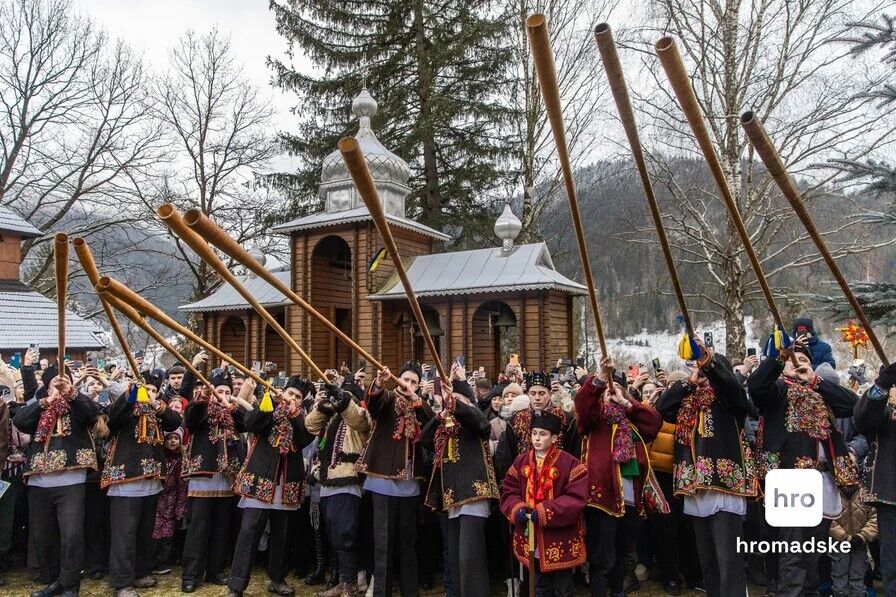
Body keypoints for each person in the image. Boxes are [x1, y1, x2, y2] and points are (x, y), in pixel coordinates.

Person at [748, 337, 859, 597]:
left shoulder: (820, 391)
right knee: (794, 550)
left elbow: (852, 405)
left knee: (813, 552)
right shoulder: (777, 390)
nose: (798, 363)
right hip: (791, 479)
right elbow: (756, 385)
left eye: (805, 360)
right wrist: (779, 357)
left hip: (822, 479)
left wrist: (814, 380)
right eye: (791, 359)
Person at [655, 339, 758, 597]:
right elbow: (662, 409)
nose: (702, 377)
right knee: (708, 562)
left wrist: (710, 363)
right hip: (695, 487)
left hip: (725, 486)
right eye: (700, 372)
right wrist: (689, 382)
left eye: (707, 373)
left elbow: (732, 388)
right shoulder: (688, 401)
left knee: (728, 561)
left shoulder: (729, 402)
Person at [574, 357, 667, 597]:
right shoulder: (595, 422)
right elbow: (583, 407)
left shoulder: (630, 421)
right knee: (602, 555)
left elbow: (654, 423)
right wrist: (599, 380)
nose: (611, 396)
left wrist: (628, 403)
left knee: (622, 553)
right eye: (607, 393)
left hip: (630, 497)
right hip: (602, 496)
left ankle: (618, 592)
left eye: (615, 392)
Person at [14, 368, 99, 597]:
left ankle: (71, 583)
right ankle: (54, 582)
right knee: (42, 534)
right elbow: (20, 421)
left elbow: (93, 413)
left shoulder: (77, 406)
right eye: (55, 383)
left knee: (71, 534)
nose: (59, 387)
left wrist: (71, 393)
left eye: (64, 382)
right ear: (47, 387)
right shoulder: (40, 406)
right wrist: (48, 399)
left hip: (71, 480)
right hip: (39, 481)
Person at [227, 374, 315, 597]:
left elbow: (305, 438)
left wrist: (294, 413)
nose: (292, 398)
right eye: (290, 393)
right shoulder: (268, 405)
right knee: (249, 532)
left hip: (287, 485)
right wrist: (272, 405)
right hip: (260, 481)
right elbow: (250, 423)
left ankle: (277, 578)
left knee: (281, 535)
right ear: (282, 392)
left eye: (297, 396)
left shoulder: (302, 418)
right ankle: (236, 585)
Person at [102, 371, 182, 597]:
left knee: (145, 531)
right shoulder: (125, 410)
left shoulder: (155, 411)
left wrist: (158, 405)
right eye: (145, 389)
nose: (148, 393)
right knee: (124, 533)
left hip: (152, 479)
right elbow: (113, 418)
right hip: (126, 478)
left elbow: (175, 421)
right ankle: (121, 582)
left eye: (152, 390)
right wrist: (131, 394)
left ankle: (140, 572)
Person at [421, 365, 499, 597]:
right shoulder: (446, 425)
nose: (451, 402)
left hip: (474, 495)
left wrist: (456, 401)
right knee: (454, 559)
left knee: (469, 559)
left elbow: (481, 423)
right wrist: (441, 413)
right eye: (449, 399)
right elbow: (425, 439)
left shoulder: (474, 420)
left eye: (457, 400)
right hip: (451, 499)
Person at [500, 410, 588, 596]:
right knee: (539, 585)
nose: (537, 438)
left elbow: (576, 499)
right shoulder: (521, 461)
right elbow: (509, 491)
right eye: (534, 433)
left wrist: (543, 511)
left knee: (563, 588)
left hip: (560, 537)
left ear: (554, 438)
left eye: (543, 434)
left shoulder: (571, 464)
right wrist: (518, 509)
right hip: (531, 534)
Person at [180, 369, 251, 593]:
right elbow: (190, 420)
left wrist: (234, 402)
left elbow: (248, 422)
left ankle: (215, 570)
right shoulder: (201, 409)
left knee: (222, 527)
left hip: (227, 477)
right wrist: (204, 398)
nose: (222, 394)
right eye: (218, 390)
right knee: (198, 528)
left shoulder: (232, 413)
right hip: (204, 474)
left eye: (227, 391)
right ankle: (191, 575)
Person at [304, 378, 372, 597]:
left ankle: (351, 585)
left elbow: (358, 420)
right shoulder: (331, 417)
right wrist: (323, 406)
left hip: (347, 480)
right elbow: (310, 425)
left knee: (345, 534)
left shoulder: (360, 415)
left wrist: (344, 399)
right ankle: (344, 582)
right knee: (334, 535)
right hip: (327, 483)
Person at [853, 362, 896, 596]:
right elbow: (862, 419)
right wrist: (881, 386)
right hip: (892, 495)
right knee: (893, 565)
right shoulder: (885, 410)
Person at [494, 371, 576, 479]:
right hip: (524, 479)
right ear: (527, 394)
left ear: (550, 394)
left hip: (557, 479)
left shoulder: (566, 420)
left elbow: (573, 454)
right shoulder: (515, 421)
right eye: (533, 393)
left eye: (542, 393)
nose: (537, 398)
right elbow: (506, 457)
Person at [150, 429, 188, 575]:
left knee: (168, 530)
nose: (172, 441)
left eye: (176, 438)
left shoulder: (181, 459)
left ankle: (162, 562)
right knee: (154, 529)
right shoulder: (160, 457)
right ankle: (151, 561)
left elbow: (182, 485)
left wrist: (180, 507)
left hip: (172, 500)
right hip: (158, 497)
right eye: (169, 439)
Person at [829, 485, 876, 597]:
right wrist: (844, 537)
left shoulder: (866, 492)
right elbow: (828, 518)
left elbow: (874, 518)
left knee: (859, 572)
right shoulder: (832, 494)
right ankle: (839, 594)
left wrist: (863, 536)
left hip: (860, 542)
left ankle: (859, 594)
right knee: (839, 572)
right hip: (839, 542)